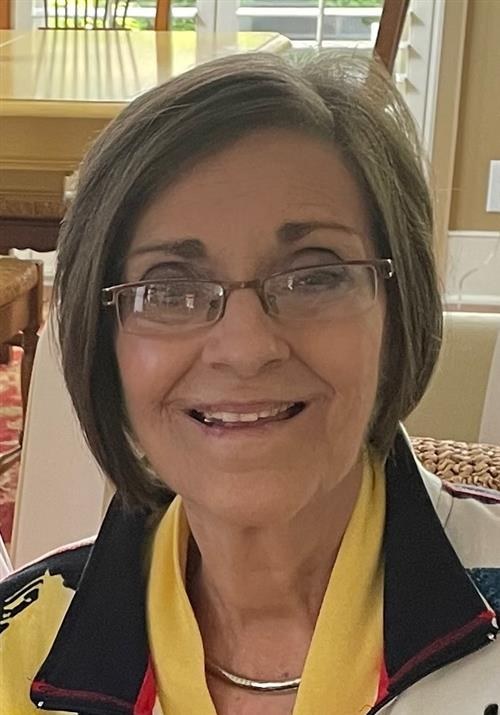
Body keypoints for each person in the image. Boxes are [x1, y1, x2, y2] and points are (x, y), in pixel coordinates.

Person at [1, 51, 499, 715]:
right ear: (105, 345)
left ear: (396, 310)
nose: (246, 348)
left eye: (314, 275)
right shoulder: (17, 650)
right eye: (169, 287)